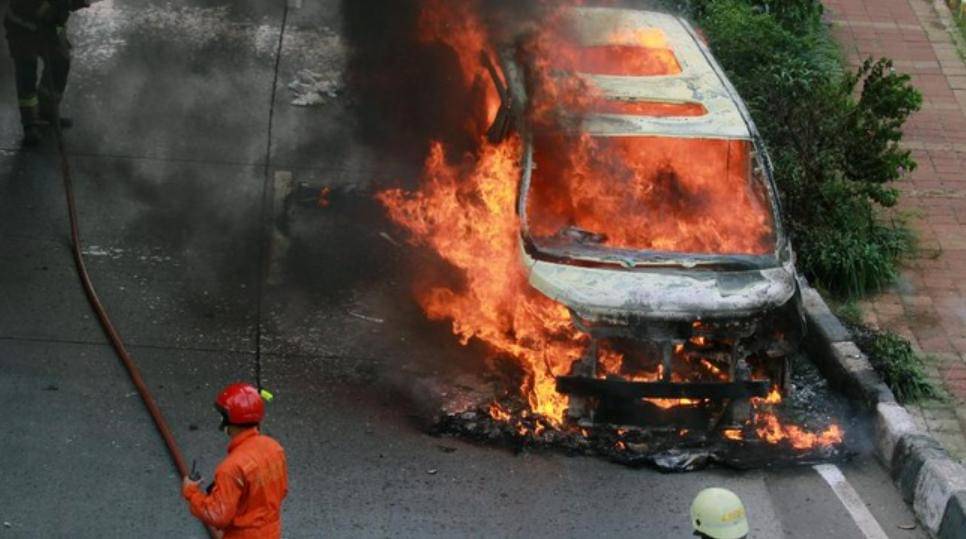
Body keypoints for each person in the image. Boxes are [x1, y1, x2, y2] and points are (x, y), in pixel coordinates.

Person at [182, 383, 288, 539]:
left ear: (227, 420)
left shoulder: (231, 468)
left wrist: (191, 492)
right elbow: (282, 490)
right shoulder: (275, 448)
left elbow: (218, 515)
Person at [3, 0, 90, 146]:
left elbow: (64, 8)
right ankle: (30, 124)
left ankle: (47, 111)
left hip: (48, 24)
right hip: (21, 26)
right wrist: (46, 10)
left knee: (61, 62)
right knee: (27, 72)